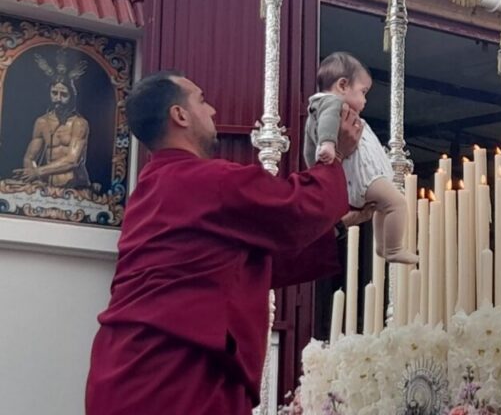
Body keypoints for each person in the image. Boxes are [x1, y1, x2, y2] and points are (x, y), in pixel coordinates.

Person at [85, 71, 364, 415]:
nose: (214, 110)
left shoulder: (150, 190)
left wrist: (335, 228)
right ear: (180, 115)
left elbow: (238, 266)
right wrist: (334, 155)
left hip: (127, 371)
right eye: (202, 100)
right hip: (175, 376)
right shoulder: (207, 180)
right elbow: (300, 207)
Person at [304, 51, 418, 264]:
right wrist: (328, 144)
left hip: (365, 175)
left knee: (385, 206)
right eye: (363, 92)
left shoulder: (337, 109)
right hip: (363, 177)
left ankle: (384, 246)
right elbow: (322, 130)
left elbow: (307, 149)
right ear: (342, 85)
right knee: (397, 203)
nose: (365, 100)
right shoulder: (330, 104)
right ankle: (392, 247)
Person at [14, 51, 90, 188]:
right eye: (54, 93)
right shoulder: (42, 122)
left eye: (64, 95)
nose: (58, 99)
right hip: (47, 187)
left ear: (72, 97)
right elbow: (29, 158)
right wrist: (34, 180)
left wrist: (38, 172)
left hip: (74, 187)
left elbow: (72, 160)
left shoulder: (79, 123)